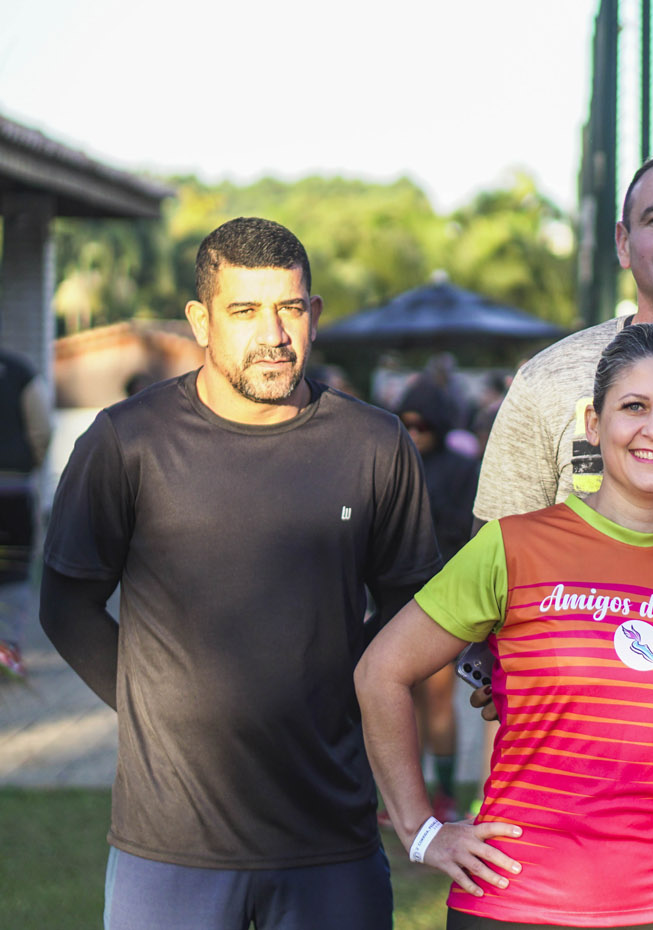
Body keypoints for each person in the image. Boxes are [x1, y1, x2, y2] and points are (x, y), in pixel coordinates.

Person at [40, 217, 440, 930]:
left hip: (329, 833)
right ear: (201, 320)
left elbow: (412, 608)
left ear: (314, 314)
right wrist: (152, 706)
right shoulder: (128, 441)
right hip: (170, 843)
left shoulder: (375, 444)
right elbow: (66, 603)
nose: (273, 334)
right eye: (245, 311)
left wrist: (346, 688)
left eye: (290, 308)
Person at [357, 324, 653, 929]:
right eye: (633, 407)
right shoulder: (514, 546)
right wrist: (421, 830)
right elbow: (381, 672)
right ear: (593, 423)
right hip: (513, 897)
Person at [473, 151, 653, 928]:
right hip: (589, 752)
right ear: (622, 242)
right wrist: (494, 664)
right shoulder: (552, 379)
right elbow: (496, 548)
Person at [396, 376, 483, 825]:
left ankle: (444, 794)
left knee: (437, 698)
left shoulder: (462, 469)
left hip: (445, 600)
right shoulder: (395, 461)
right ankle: (407, 796)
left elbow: (470, 532)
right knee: (402, 701)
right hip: (398, 598)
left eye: (422, 425)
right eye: (407, 424)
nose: (414, 433)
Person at [0, 347, 50, 679]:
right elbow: (41, 429)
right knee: (14, 570)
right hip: (13, 489)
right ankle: (6, 651)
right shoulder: (20, 371)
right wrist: (29, 462)